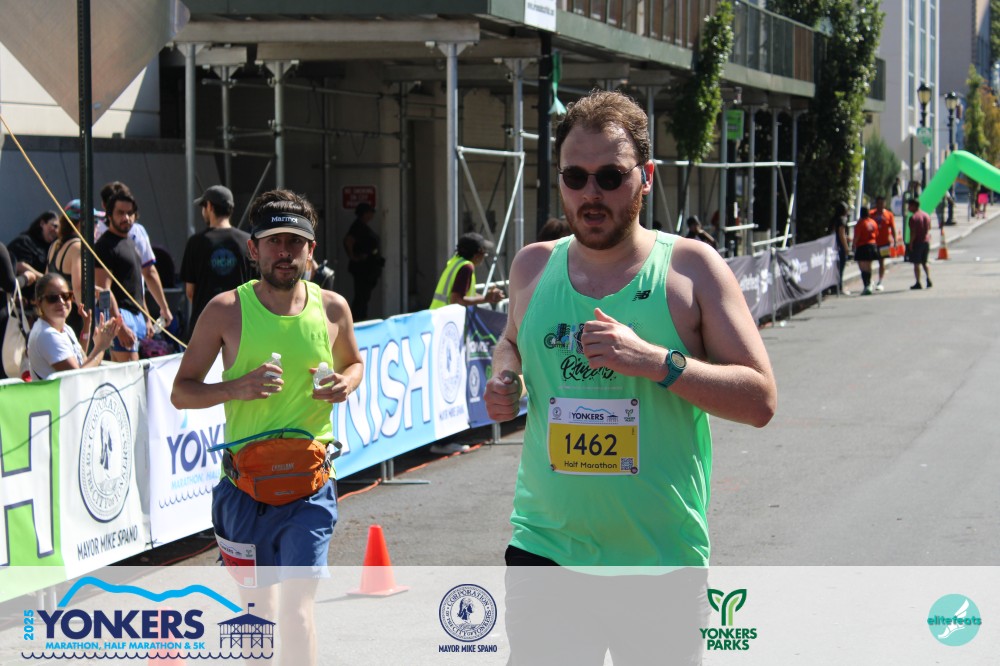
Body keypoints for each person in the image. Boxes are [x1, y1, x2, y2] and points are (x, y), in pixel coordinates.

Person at [483, 90, 776, 663]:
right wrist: (506, 375)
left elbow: (760, 399)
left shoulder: (690, 269)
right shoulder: (533, 265)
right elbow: (511, 340)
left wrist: (656, 362)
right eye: (575, 176)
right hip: (546, 551)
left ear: (646, 177)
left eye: (611, 177)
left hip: (659, 562)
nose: (591, 193)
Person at [171, 189, 363, 666]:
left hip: (310, 488)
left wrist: (346, 383)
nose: (284, 251)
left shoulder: (333, 308)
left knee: (297, 614)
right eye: (274, 241)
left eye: (295, 242)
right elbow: (182, 391)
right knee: (258, 612)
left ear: (311, 250)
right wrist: (234, 388)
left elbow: (354, 363)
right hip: (245, 489)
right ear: (252, 248)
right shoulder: (224, 310)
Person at [94, 188, 172, 362]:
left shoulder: (130, 241)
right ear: (109, 215)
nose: (126, 218)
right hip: (121, 316)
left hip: (135, 315)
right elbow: (103, 291)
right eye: (120, 213)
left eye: (130, 213)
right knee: (130, 371)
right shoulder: (105, 246)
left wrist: (146, 317)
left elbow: (136, 287)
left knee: (129, 371)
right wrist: (119, 325)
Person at [180, 185, 254, 339]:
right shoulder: (247, 242)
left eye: (203, 206)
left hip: (204, 324)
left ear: (209, 206)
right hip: (241, 324)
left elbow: (190, 292)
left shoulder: (196, 242)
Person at [27, 274, 119, 380]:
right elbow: (78, 378)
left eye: (66, 296)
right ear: (39, 303)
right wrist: (101, 346)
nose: (61, 302)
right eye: (52, 298)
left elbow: (80, 359)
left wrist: (86, 327)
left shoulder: (65, 328)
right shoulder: (47, 335)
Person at [47, 199, 103, 338]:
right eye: (95, 221)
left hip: (56, 318)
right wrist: (90, 323)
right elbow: (79, 288)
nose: (98, 226)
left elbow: (46, 282)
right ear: (80, 224)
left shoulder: (55, 245)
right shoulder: (78, 247)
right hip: (74, 321)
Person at [429, 232, 505, 310]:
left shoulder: (456, 262)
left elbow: (464, 295)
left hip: (438, 313)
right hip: (446, 315)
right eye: (484, 252)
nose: (485, 256)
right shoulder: (466, 267)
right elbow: (456, 300)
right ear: (477, 253)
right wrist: (486, 299)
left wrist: (488, 297)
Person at [342, 202, 384, 321]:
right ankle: (358, 320)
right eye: (370, 212)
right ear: (364, 213)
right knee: (361, 296)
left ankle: (360, 318)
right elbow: (348, 241)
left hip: (368, 267)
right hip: (362, 269)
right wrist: (353, 257)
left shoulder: (362, 226)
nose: (372, 215)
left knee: (364, 296)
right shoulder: (358, 226)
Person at [8, 211, 59, 285]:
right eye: (54, 226)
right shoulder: (24, 241)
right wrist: (48, 281)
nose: (56, 231)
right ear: (42, 223)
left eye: (59, 228)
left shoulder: (51, 248)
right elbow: (19, 266)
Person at [870, 195, 896, 291]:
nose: (880, 205)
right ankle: (870, 280)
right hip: (873, 242)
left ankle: (880, 281)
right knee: (870, 261)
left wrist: (895, 240)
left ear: (884, 204)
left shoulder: (889, 214)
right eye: (878, 203)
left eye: (882, 203)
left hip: (884, 242)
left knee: (882, 262)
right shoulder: (871, 214)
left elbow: (892, 228)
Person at [852, 206, 879, 296]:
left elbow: (857, 236)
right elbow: (877, 233)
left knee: (863, 267)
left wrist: (853, 245)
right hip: (872, 245)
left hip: (863, 246)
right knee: (868, 266)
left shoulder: (860, 223)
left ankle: (866, 285)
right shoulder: (873, 222)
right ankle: (869, 283)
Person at [907, 199, 932, 290]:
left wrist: (911, 243)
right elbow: (929, 227)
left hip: (917, 242)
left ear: (914, 206)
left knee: (916, 263)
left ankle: (918, 282)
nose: (908, 208)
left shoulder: (913, 218)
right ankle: (928, 278)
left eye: (909, 206)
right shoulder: (926, 215)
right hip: (926, 241)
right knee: (925, 262)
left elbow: (913, 232)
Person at [830, 201, 851, 295]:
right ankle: (839, 287)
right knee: (840, 268)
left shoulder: (834, 219)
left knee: (835, 268)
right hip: (840, 247)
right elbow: (841, 234)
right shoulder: (843, 220)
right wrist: (846, 247)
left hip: (833, 247)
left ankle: (833, 287)